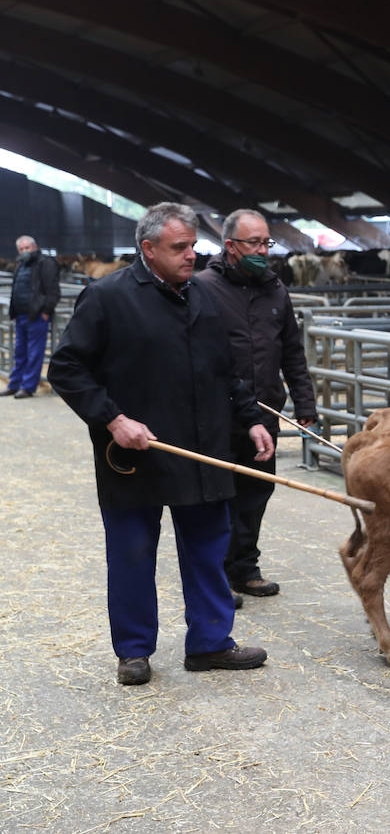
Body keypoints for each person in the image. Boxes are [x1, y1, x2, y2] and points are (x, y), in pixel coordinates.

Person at [48, 202, 275, 686]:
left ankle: (211, 643)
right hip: (137, 455)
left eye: (193, 245)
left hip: (203, 449)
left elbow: (228, 372)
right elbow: (66, 368)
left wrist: (251, 420)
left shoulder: (204, 298)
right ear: (148, 249)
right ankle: (133, 651)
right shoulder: (107, 297)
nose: (191, 255)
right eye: (179, 247)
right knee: (132, 553)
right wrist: (112, 419)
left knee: (208, 550)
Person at [196, 209, 316, 600]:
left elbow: (293, 352)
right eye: (254, 243)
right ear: (230, 246)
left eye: (267, 242)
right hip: (216, 414)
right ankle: (216, 575)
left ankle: (245, 567)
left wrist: (305, 403)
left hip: (265, 409)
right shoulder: (203, 288)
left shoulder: (276, 290)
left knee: (257, 492)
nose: (263, 250)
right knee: (218, 493)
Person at [3, 235, 61, 399]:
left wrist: (45, 312)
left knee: (34, 352)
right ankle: (14, 384)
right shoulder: (21, 265)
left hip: (36, 316)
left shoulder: (46, 263)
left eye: (26, 248)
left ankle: (28, 387)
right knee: (19, 352)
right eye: (21, 249)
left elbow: (53, 292)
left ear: (34, 247)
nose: (24, 251)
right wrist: (14, 312)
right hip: (20, 316)